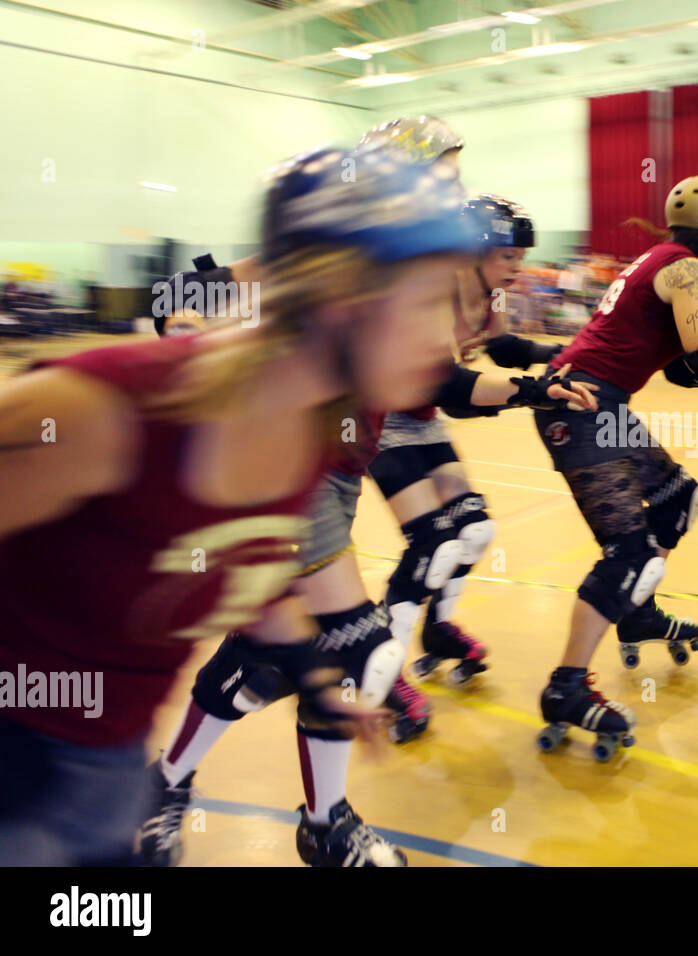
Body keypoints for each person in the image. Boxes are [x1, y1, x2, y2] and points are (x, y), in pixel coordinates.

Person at [0, 144, 478, 866]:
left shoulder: (305, 428)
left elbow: (246, 561)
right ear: (340, 298)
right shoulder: (106, 409)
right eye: (422, 302)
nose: (444, 339)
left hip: (106, 765)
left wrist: (318, 677)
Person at [531, 174, 698, 762]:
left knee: (681, 499)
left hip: (599, 403)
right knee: (628, 554)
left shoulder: (667, 258)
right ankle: (567, 687)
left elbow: (688, 363)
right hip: (578, 407)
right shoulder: (686, 268)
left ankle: (637, 612)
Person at [369, 194, 563, 693]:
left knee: (473, 531)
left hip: (421, 415)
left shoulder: (492, 294)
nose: (518, 266)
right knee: (433, 543)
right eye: (507, 256)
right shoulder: (433, 291)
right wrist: (532, 392)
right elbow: (452, 389)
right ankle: (379, 668)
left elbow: (502, 348)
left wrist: (562, 353)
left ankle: (437, 629)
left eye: (521, 256)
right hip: (377, 418)